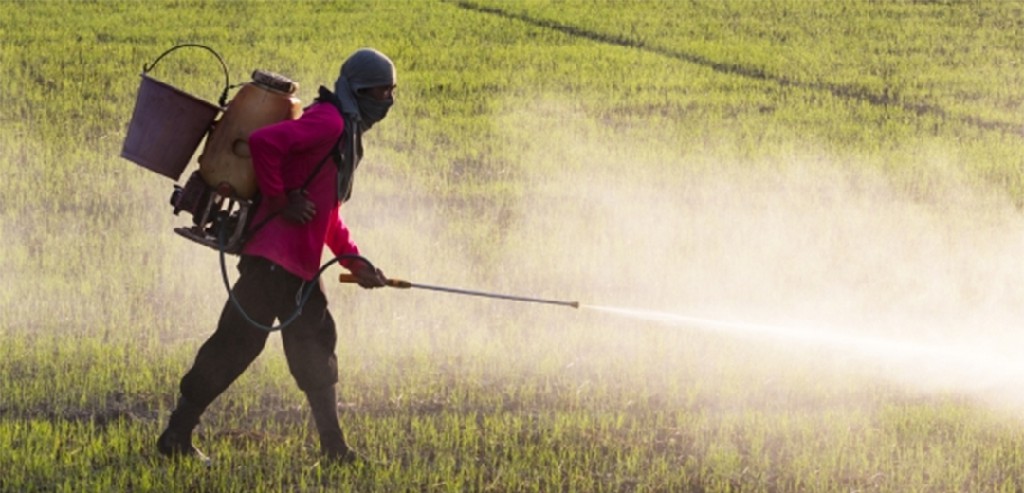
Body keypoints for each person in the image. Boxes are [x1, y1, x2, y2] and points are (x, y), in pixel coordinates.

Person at [156, 48, 397, 465]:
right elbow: (264, 143)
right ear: (357, 89)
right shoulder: (330, 120)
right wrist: (282, 198)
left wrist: (354, 262)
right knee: (241, 345)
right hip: (274, 259)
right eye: (381, 91)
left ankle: (333, 448)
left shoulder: (345, 131)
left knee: (307, 347)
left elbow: (328, 214)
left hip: (294, 263)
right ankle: (177, 435)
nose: (387, 101)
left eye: (392, 92)